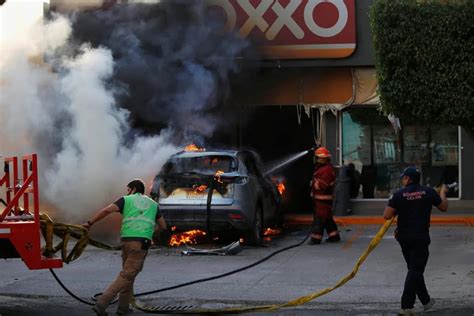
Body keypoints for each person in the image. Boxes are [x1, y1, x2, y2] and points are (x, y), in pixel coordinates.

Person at [82, 179, 167, 316]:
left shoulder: (126, 200)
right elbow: (163, 226)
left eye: (128, 189)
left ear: (133, 189)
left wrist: (89, 223)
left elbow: (106, 211)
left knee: (128, 275)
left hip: (126, 242)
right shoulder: (153, 204)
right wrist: (151, 231)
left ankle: (123, 308)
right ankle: (101, 303)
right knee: (127, 275)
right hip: (141, 244)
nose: (127, 192)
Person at [383, 166, 448, 315]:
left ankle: (426, 301)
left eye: (403, 177)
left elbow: (387, 215)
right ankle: (407, 306)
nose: (402, 180)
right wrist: (443, 193)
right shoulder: (429, 192)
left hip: (403, 238)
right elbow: (443, 207)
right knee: (415, 270)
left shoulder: (398, 194)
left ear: (407, 179)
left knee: (414, 269)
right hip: (420, 237)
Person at [309, 147, 341, 245]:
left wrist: (313, 184)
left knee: (319, 219)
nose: (317, 160)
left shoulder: (326, 170)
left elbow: (322, 185)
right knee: (327, 219)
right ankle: (334, 236)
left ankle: (315, 239)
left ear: (323, 158)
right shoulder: (323, 168)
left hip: (323, 200)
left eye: (318, 157)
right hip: (321, 200)